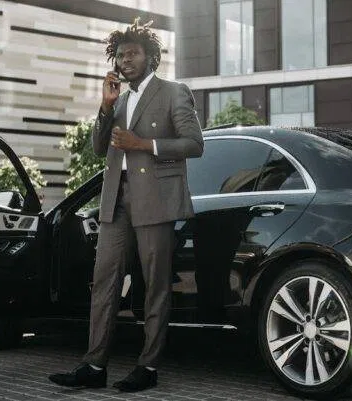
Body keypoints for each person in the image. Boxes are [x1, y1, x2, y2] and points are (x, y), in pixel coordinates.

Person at [49, 17, 203, 392]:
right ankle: (94, 365)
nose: (124, 61)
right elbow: (100, 148)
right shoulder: (117, 98)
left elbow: (194, 144)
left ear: (151, 57)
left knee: (155, 286)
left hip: (156, 201)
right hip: (115, 202)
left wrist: (143, 145)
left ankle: (148, 368)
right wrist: (105, 106)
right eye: (119, 55)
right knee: (104, 282)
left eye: (132, 53)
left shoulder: (174, 92)